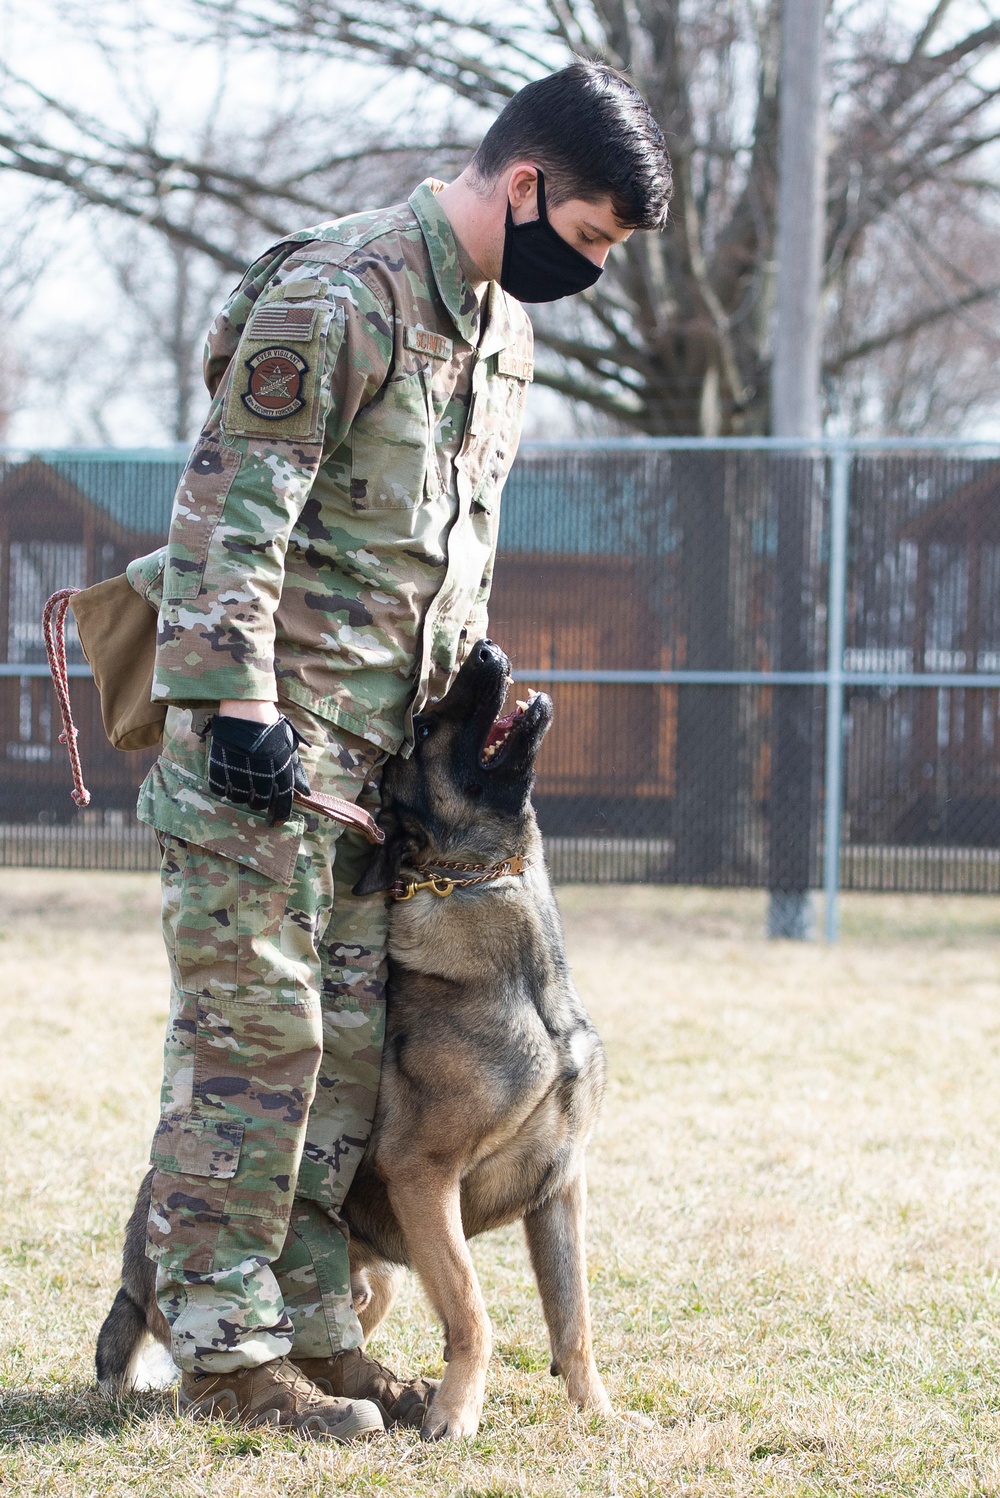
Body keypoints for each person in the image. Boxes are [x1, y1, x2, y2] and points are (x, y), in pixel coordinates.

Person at [126, 60, 672, 1440]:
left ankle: (315, 1333)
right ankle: (224, 1359)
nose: (592, 270)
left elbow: (456, 562)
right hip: (263, 756)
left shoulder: (501, 331)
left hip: (385, 789)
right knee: (256, 1053)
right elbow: (231, 518)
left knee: (352, 1075)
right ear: (530, 182)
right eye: (593, 237)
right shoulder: (342, 290)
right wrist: (237, 709)